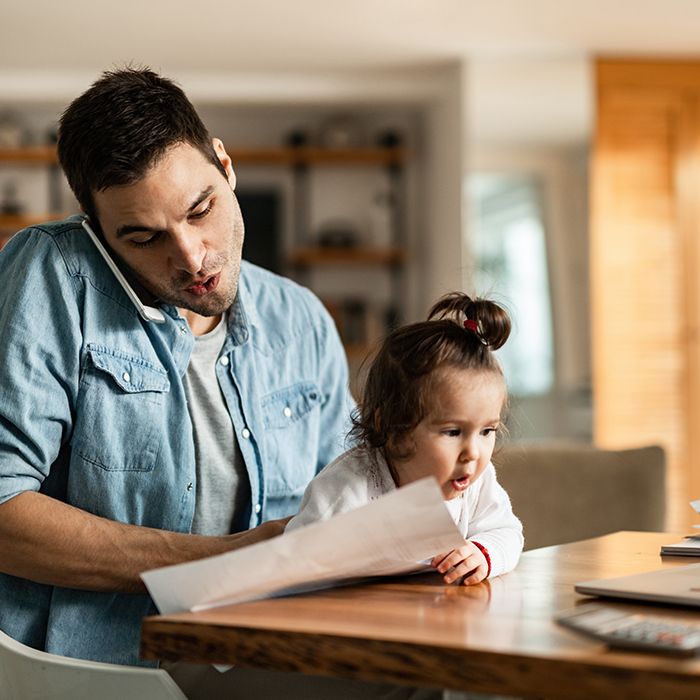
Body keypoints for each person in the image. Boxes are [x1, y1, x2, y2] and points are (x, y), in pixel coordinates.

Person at [0, 67, 355, 670]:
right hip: (99, 666)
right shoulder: (53, 275)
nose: (191, 257)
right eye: (142, 238)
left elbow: (352, 491)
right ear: (96, 231)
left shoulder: (302, 320)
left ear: (224, 162)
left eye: (200, 209)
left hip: (267, 648)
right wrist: (221, 559)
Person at [287, 293, 524, 584]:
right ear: (392, 428)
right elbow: (293, 565)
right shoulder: (346, 490)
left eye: (487, 431)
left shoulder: (477, 482)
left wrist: (482, 553)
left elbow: (507, 532)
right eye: (452, 432)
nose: (473, 453)